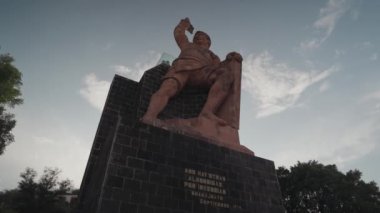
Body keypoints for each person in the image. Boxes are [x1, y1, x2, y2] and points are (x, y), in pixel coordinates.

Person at [141, 18, 237, 126]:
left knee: (226, 75)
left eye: (201, 37)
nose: (197, 38)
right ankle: (150, 116)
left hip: (202, 72)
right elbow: (179, 33)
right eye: (196, 37)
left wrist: (230, 59)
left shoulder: (213, 56)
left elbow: (218, 68)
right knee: (167, 88)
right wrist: (183, 25)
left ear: (208, 41)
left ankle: (207, 112)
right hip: (182, 68)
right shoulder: (187, 45)